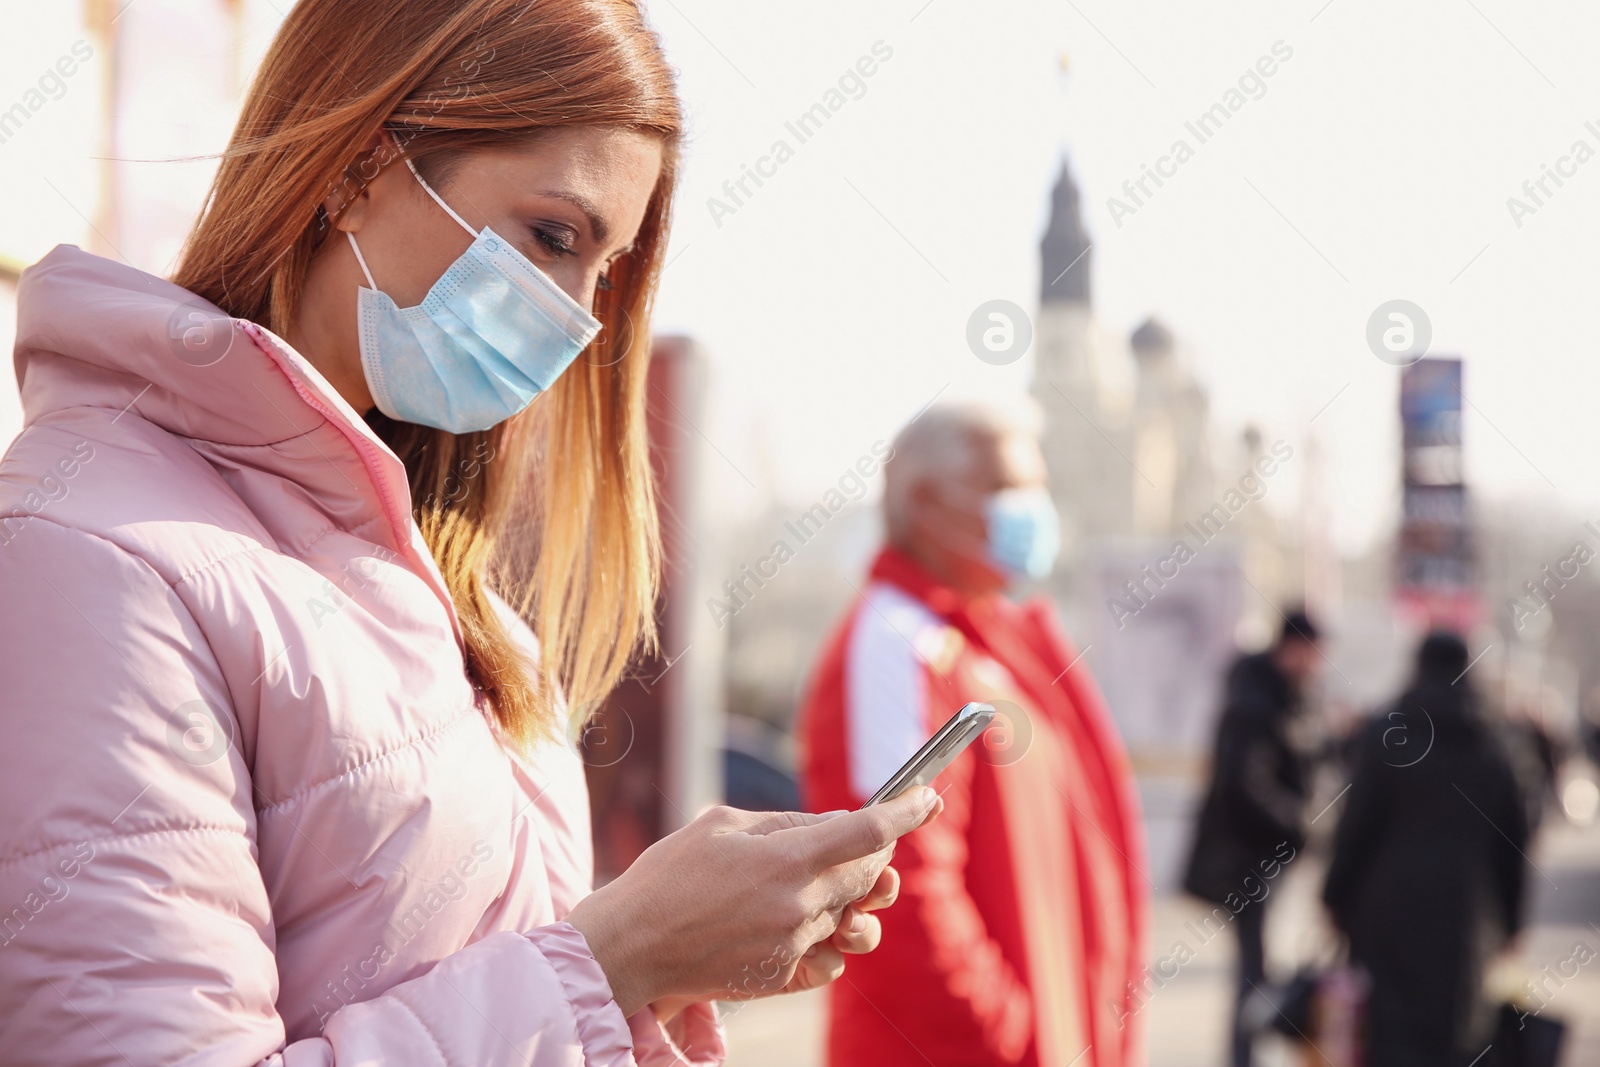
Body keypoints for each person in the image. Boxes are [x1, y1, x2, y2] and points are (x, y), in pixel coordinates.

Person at [0, 2, 943, 1062]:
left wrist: (668, 959)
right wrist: (616, 953)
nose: (575, 317)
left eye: (605, 269)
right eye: (552, 236)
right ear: (359, 165)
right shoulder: (86, 556)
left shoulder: (445, 585)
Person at [798, 400, 1148, 1067]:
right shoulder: (896, 642)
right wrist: (1015, 1038)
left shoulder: (981, 641)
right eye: (1010, 488)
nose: (1035, 509)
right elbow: (897, 890)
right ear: (926, 503)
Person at [1323, 633, 1529, 1067]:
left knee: (1389, 1036)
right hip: (1468, 918)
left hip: (1386, 912)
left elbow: (1355, 826)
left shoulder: (1388, 732)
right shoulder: (1495, 741)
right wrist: (1513, 921)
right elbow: (1513, 842)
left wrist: (1334, 899)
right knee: (1456, 1036)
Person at [1182, 609, 1322, 1067]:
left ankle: (1249, 1056)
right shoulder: (1255, 701)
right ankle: (1244, 1059)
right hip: (1247, 862)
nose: (1315, 664)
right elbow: (1244, 784)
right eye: (1311, 652)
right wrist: (1299, 824)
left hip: (1264, 857)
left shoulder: (1282, 695)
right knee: (1253, 972)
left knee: (1259, 970)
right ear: (1292, 647)